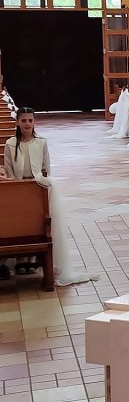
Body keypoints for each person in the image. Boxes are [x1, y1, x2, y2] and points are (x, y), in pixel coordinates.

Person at [3, 107, 50, 278]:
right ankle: (20, 258)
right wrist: (16, 186)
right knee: (20, 222)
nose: (27, 124)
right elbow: (8, 168)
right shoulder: (10, 144)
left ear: (34, 121)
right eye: (23, 120)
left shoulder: (41, 142)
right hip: (18, 188)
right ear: (17, 122)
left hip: (37, 188)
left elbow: (46, 167)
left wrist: (43, 184)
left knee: (36, 222)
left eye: (30, 120)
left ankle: (33, 259)